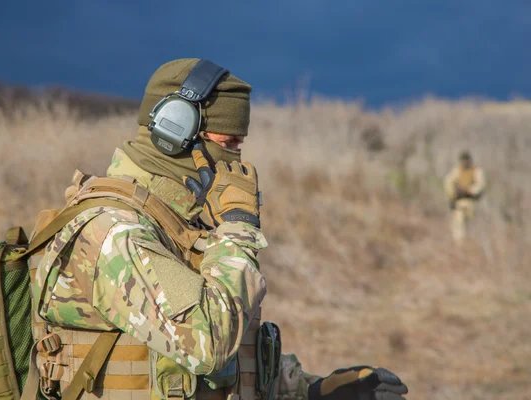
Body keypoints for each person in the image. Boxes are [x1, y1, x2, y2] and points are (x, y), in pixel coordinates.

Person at [29, 59, 408, 400]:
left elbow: (229, 365)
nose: (237, 162)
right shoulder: (113, 234)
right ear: (173, 132)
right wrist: (238, 228)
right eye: (228, 144)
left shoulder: (176, 225)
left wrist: (312, 389)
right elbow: (207, 344)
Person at [443, 151, 486, 242]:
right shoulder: (457, 170)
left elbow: (480, 185)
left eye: (466, 160)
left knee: (472, 224)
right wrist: (453, 194)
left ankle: (471, 243)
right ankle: (460, 244)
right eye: (463, 160)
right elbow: (448, 182)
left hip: (472, 202)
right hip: (459, 201)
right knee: (458, 225)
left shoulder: (476, 171)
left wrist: (469, 190)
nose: (465, 162)